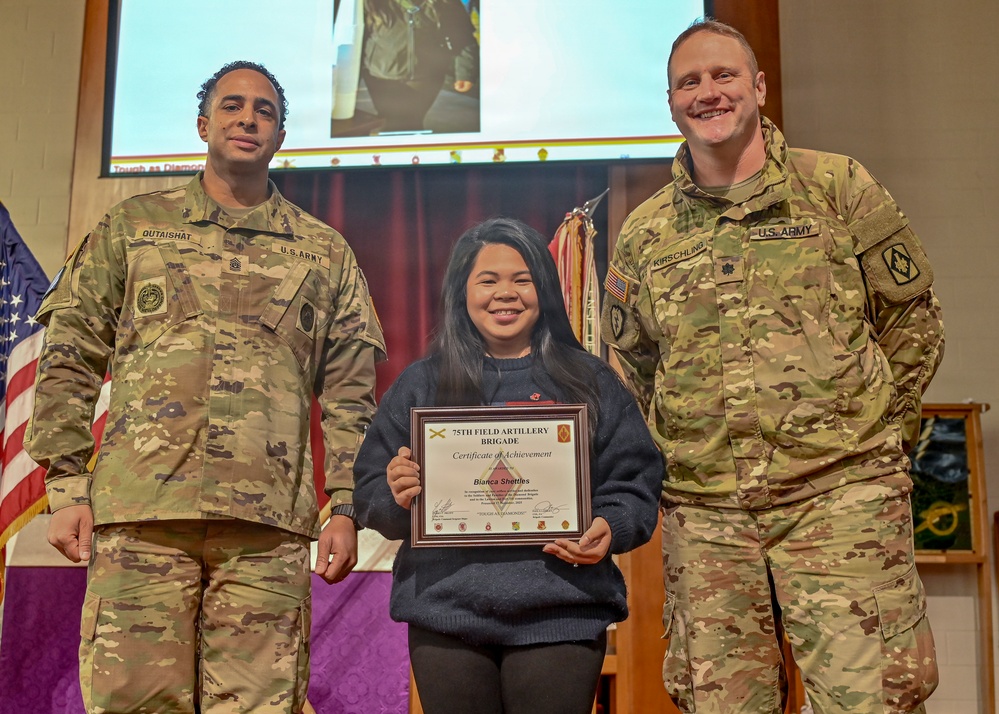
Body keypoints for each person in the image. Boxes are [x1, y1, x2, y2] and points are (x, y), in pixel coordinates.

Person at [600, 19, 943, 714]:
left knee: (869, 702)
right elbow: (635, 362)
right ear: (670, 103)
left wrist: (878, 438)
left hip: (839, 500)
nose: (708, 93)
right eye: (688, 82)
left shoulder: (836, 187)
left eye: (723, 75)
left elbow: (912, 321)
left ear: (757, 86)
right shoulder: (645, 233)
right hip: (708, 518)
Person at [25, 60, 385, 714]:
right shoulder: (132, 228)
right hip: (141, 521)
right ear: (202, 124)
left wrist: (347, 504)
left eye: (265, 111)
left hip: (265, 535)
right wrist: (67, 485)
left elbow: (349, 394)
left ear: (281, 136)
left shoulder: (323, 252)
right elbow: (71, 353)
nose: (248, 119)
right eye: (232, 106)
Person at [353, 217, 663, 714]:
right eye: (488, 280)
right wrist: (396, 492)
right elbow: (370, 495)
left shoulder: (589, 380)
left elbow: (636, 481)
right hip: (445, 617)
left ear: (544, 289)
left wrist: (610, 524)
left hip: (561, 610)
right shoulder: (420, 386)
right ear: (462, 292)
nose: (506, 294)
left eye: (523, 279)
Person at [361, 0, 479, 132]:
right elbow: (357, 37)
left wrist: (466, 72)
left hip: (427, 77)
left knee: (411, 122)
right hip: (380, 76)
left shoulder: (446, 3)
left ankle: (411, 150)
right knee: (388, 120)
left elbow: (464, 38)